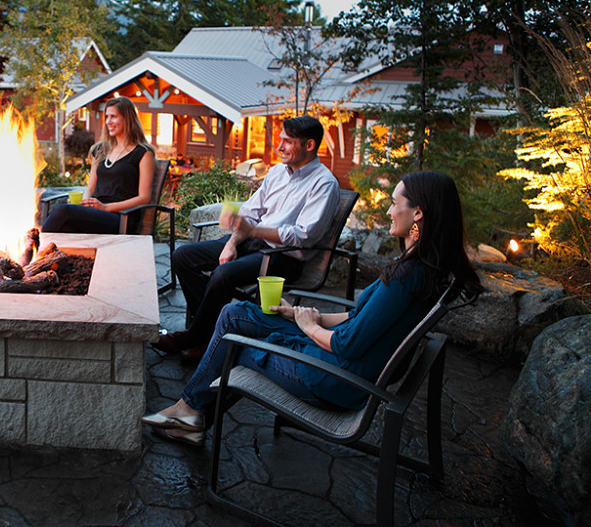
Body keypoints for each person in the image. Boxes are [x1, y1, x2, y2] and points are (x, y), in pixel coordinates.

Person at [141, 170, 481, 446]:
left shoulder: (407, 276)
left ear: (418, 212)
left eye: (395, 204)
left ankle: (188, 413)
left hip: (333, 378)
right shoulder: (422, 270)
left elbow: (347, 343)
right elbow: (357, 318)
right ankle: (189, 414)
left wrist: (309, 328)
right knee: (234, 316)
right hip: (341, 363)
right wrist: (303, 315)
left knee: (234, 343)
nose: (389, 211)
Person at [155, 116, 340, 360]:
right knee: (182, 256)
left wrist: (253, 232)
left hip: (283, 257)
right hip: (250, 244)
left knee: (223, 274)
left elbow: (302, 236)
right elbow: (249, 214)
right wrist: (231, 243)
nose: (280, 147)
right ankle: (210, 335)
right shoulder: (277, 173)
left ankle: (194, 337)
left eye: (288, 142)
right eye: (281, 140)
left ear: (309, 145)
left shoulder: (323, 184)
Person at [41, 96, 155, 234]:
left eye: (113, 116)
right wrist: (84, 204)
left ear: (127, 119)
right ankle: (36, 250)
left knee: (64, 210)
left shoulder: (143, 153)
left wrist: (106, 207)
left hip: (122, 218)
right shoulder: (101, 149)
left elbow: (144, 198)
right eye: (107, 116)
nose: (108, 122)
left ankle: (31, 247)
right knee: (64, 227)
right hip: (96, 214)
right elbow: (90, 188)